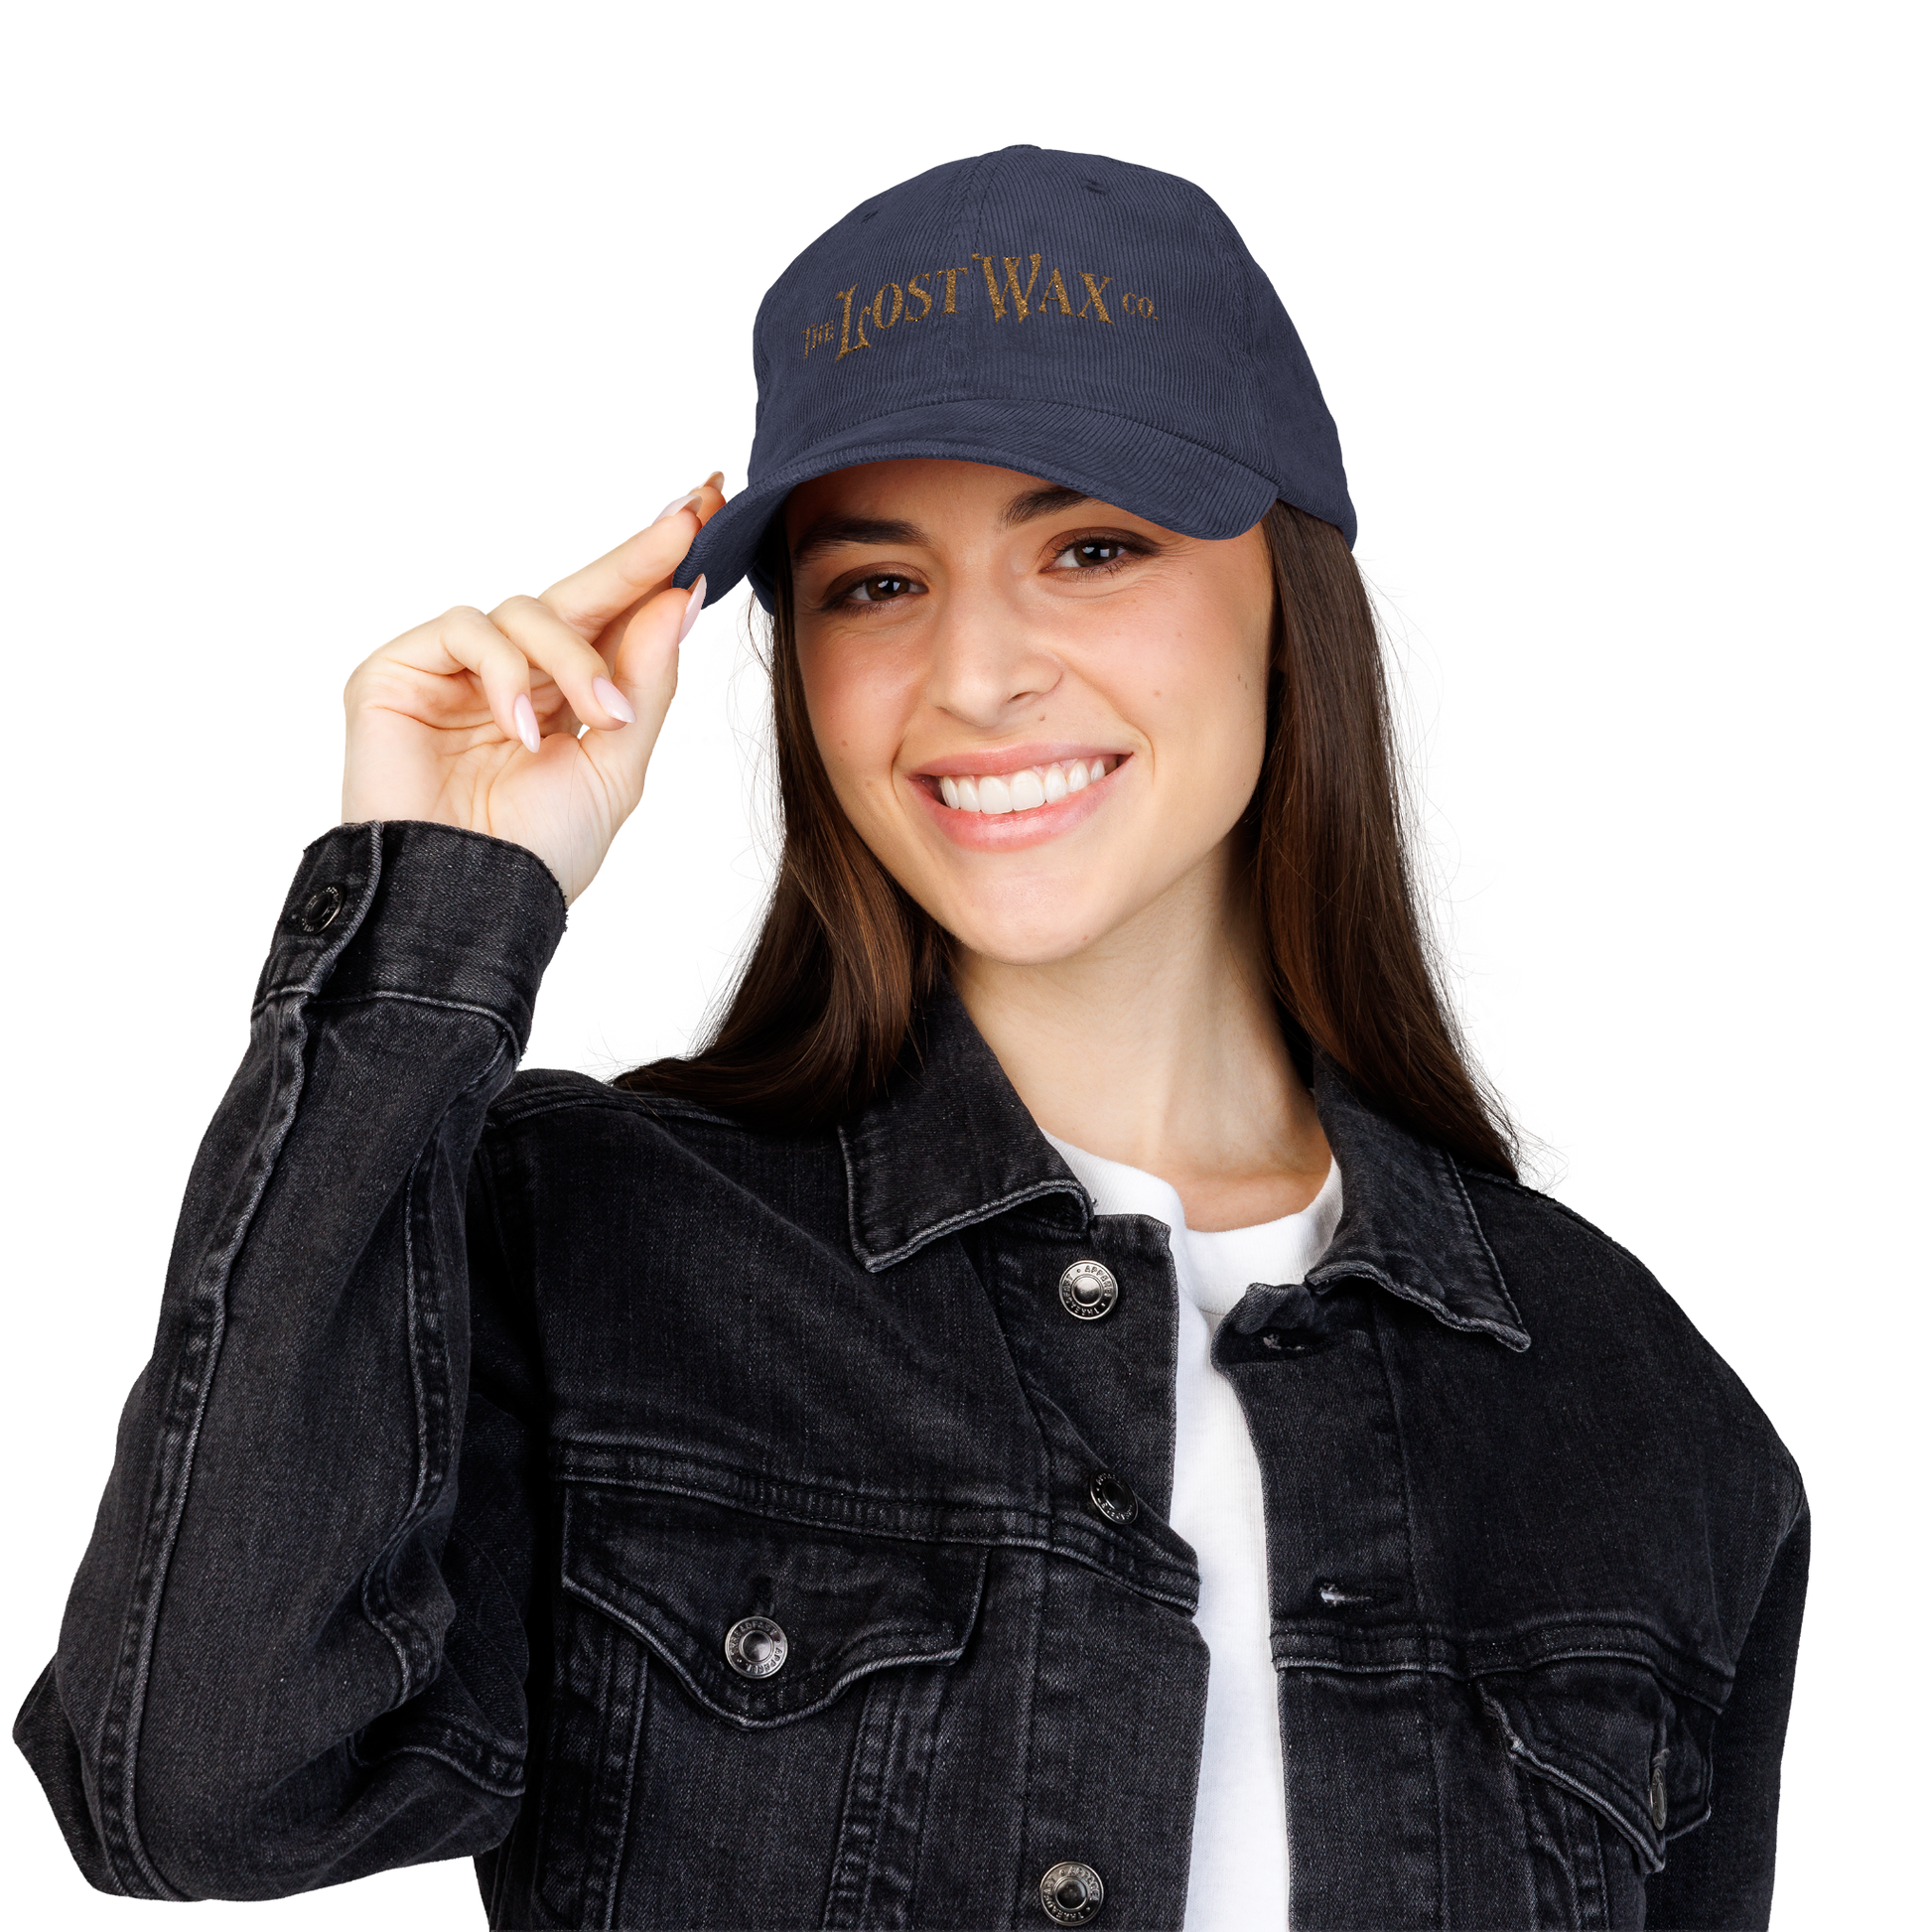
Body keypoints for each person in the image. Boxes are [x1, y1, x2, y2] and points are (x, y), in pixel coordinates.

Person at [12, 146, 1806, 1930]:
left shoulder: (1636, 1405)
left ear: (1294, 595)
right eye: (876, 583)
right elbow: (207, 1797)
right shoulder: (576, 1232)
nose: (971, 677)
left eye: (1089, 545)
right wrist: (435, 902)